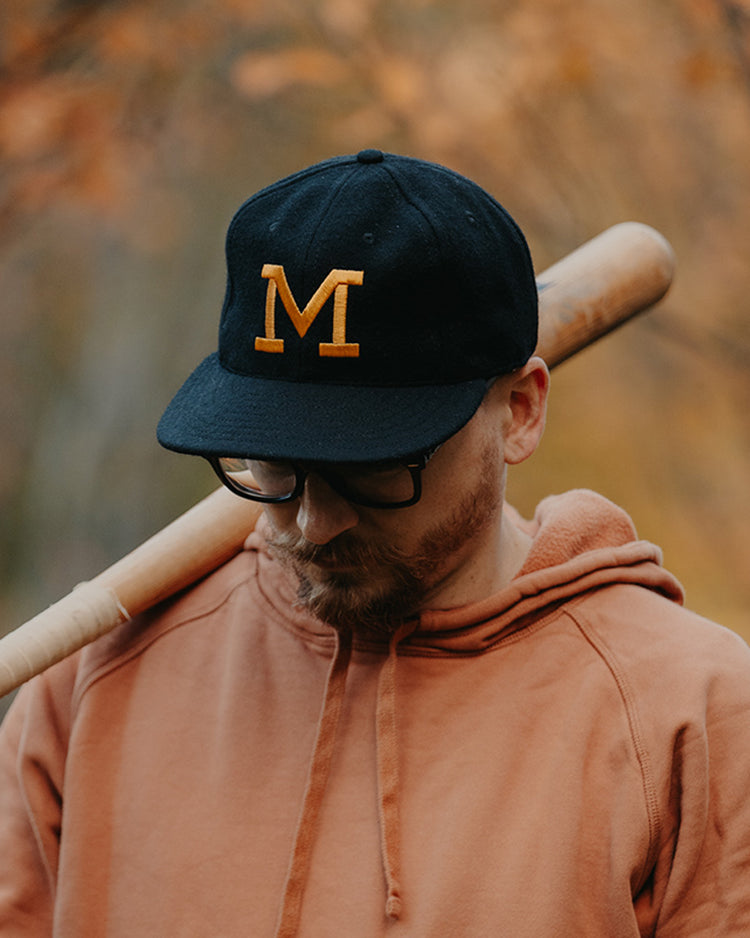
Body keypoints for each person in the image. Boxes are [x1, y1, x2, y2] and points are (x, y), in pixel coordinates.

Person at [1, 150, 749, 938]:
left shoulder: (690, 715)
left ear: (521, 412)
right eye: (277, 465)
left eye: (377, 467)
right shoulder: (95, 673)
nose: (316, 523)